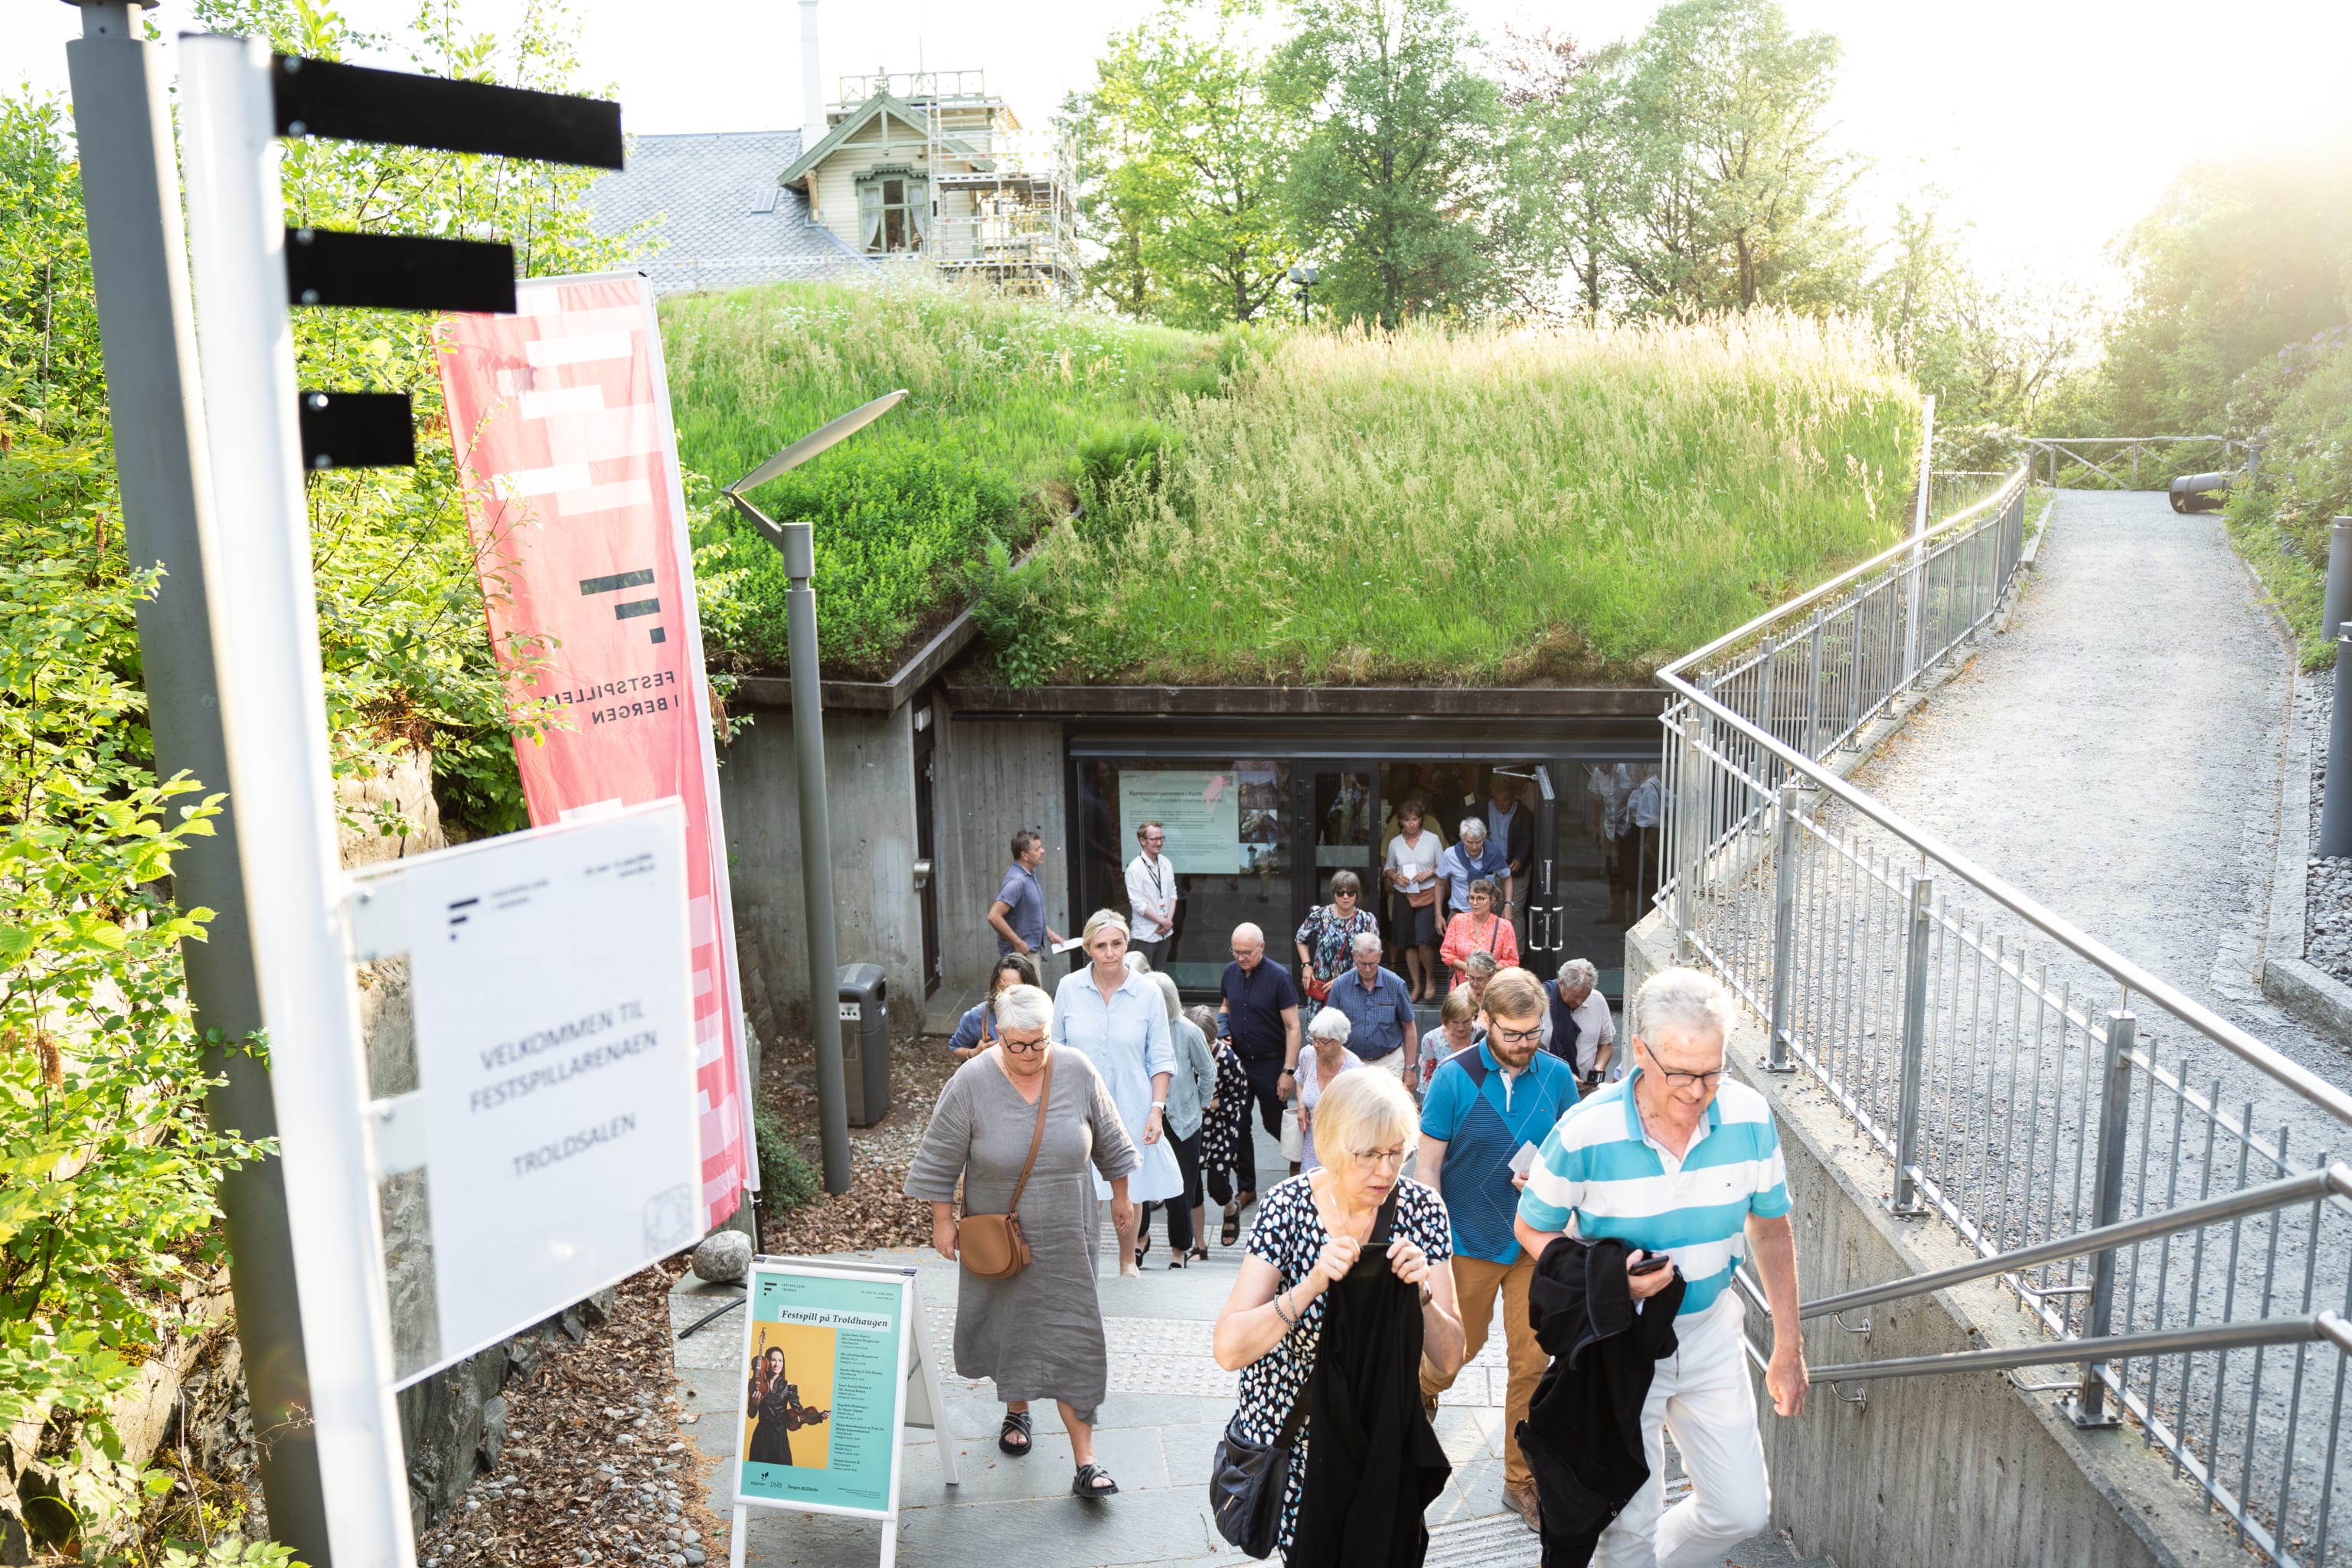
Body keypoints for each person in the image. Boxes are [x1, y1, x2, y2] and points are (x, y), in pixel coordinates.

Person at [1514, 966, 1809, 1566]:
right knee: (1629, 1528)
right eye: (1679, 1071)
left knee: (1742, 1511)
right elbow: (1530, 1224)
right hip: (1619, 1346)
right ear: (1640, 1051)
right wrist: (1607, 1279)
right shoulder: (1586, 1129)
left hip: (1709, 1335)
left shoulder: (1750, 1117)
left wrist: (1788, 1345)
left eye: (1711, 1071)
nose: (1697, 1091)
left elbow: (1772, 1230)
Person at [1213, 1070, 1463, 1566]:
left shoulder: (1423, 1210)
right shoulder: (1287, 1209)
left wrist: (1424, 1295)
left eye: (1396, 1152)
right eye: (1368, 1154)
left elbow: (1451, 1359)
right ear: (1329, 1144)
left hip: (1385, 1438)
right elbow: (1229, 1347)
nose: (1385, 1170)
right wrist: (1308, 1287)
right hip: (1301, 1441)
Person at [904, 984, 1140, 1498]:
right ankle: (1018, 1411)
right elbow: (941, 1155)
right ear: (1000, 1036)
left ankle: (1086, 1460)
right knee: (1013, 1327)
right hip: (1001, 1233)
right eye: (1020, 1045)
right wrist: (943, 1221)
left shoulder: (1076, 1069)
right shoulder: (972, 1081)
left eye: (1041, 1042)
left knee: (1073, 1335)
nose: (1032, 1053)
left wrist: (1122, 1196)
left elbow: (1111, 1138)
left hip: (1067, 1229)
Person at [1416, 968, 1580, 1531]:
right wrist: (1431, 1247)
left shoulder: (1558, 1077)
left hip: (1537, 1244)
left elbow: (1574, 1162)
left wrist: (1551, 1185)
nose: (1524, 1044)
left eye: (1533, 1032)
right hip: (1467, 1242)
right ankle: (1419, 1393)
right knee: (1454, 1352)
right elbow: (1427, 1168)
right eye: (1512, 1033)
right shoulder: (1453, 1078)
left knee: (1532, 1363)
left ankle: (1521, 1480)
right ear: (1485, 1021)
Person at [1053, 911, 1184, 1276]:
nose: (1110, 953)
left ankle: (1128, 1262)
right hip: (1077, 1102)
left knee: (1131, 1183)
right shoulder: (1068, 988)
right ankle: (1085, 1265)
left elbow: (1161, 1057)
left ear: (1127, 944)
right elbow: (1055, 1048)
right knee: (1085, 1186)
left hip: (1133, 1102)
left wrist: (1157, 1110)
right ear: (1088, 948)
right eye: (1101, 945)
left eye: (1117, 944)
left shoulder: (1149, 993)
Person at [1217, 922, 1302, 1214]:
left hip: (1271, 1063)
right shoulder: (1230, 972)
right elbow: (1225, 1007)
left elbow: (1293, 1028)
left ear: (1261, 948)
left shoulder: (1279, 977)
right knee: (1239, 1125)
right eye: (1236, 952)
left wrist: (1288, 1072)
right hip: (1240, 1063)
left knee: (1274, 1121)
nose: (1240, 958)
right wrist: (1223, 1029)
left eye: (1246, 953)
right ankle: (1247, 1186)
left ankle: (1305, 1161)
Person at [1145, 972, 1220, 1267]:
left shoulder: (1188, 1031)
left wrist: (1200, 1105)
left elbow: (1209, 1071)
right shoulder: (1139, 1029)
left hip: (1184, 1122)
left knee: (1181, 1190)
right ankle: (1140, 1241)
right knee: (1143, 1185)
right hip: (1146, 1117)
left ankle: (1180, 1249)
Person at [1325, 930, 1420, 1093]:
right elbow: (1330, 1030)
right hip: (1351, 1061)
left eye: (1373, 963)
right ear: (1354, 956)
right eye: (1362, 964)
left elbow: (1409, 1027)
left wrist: (1410, 1068)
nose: (1368, 969)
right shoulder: (1341, 986)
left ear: (1380, 956)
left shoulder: (1396, 984)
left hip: (1389, 1061)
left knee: (1387, 1112)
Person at [1192, 1004, 1254, 1247]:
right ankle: (1198, 1243)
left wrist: (1209, 1103)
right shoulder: (1181, 1055)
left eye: (1204, 1045)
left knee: (1218, 1183)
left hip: (1222, 1125)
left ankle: (1231, 1206)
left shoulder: (1228, 1060)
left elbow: (1240, 1099)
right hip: (1193, 1124)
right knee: (1192, 1185)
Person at [1383, 802, 1446, 1003]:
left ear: (1421, 820)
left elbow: (1444, 866)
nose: (1411, 824)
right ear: (1400, 822)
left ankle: (1430, 979)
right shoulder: (1395, 843)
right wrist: (1395, 877)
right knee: (1408, 943)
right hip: (1404, 895)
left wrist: (1429, 872)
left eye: (1415, 819)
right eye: (1407, 820)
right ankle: (1416, 985)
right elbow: (1389, 867)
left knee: (1424, 942)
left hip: (1427, 893)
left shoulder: (1432, 839)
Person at [1295, 1008, 1364, 1173]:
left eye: (1322, 1041)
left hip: (1341, 1146)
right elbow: (1300, 1080)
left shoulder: (1354, 1070)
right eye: (1314, 1039)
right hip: (1311, 1144)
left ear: (1339, 1040)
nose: (1316, 1045)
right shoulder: (1308, 1055)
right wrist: (1301, 1105)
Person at [1294, 871, 1378, 1003]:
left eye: (1351, 893)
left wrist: (1343, 980)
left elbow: (1373, 954)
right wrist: (1306, 965)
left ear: (1357, 895)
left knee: (1348, 1024)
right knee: (1320, 1023)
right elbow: (1300, 938)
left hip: (1353, 986)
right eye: (1340, 892)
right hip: (1322, 987)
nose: (1345, 897)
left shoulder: (1366, 920)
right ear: (1334, 894)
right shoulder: (1321, 915)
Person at [1541, 957, 1618, 1090]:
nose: (1580, 1002)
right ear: (1561, 983)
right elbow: (1532, 1051)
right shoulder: (1539, 1001)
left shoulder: (1597, 1000)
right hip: (1546, 1087)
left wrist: (1599, 1066)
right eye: (1574, 997)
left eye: (1585, 997)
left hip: (1584, 1090)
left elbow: (1606, 1044)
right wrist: (1565, 1075)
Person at [946, 952, 1040, 1060]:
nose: (1010, 994)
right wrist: (974, 1053)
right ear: (995, 987)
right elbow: (955, 1047)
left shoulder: (1041, 1015)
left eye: (1017, 989)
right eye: (1004, 988)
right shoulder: (978, 1016)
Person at [745, 1346, 828, 1466]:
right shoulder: (756, 1384)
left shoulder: (788, 1386)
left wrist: (819, 1416)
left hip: (780, 1438)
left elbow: (799, 1411)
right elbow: (751, 1414)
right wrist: (754, 1404)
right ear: (766, 1363)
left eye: (780, 1360)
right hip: (761, 1438)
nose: (777, 1364)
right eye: (773, 1360)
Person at [988, 828, 1063, 958]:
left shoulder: (1029, 875)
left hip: (1030, 951)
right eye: (1037, 849)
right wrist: (1018, 943)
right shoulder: (1017, 881)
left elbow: (1029, 917)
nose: (1043, 851)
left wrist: (1049, 934)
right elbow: (993, 916)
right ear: (1025, 856)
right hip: (1022, 956)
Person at [1440, 879, 1520, 989]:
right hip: (1462, 987)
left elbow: (1512, 961)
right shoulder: (1457, 920)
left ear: (1492, 900)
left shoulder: (1504, 926)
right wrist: (1466, 967)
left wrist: (1484, 970)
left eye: (1480, 899)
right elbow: (1446, 953)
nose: (1475, 903)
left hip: (1491, 989)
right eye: (1472, 898)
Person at [1485, 776, 1534, 945]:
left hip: (1515, 868)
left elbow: (1528, 838)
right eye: (1497, 800)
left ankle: (1516, 956)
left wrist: (1520, 858)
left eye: (1505, 800)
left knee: (1515, 909)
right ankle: (1497, 952)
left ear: (1513, 797)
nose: (1501, 804)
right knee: (1495, 909)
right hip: (1494, 867)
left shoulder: (1523, 812)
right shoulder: (1485, 808)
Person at [1436, 820, 1511, 926]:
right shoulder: (1450, 855)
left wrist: (1508, 904)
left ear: (1484, 838)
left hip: (1488, 914)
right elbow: (1440, 885)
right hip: (1459, 914)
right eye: (1470, 842)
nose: (1475, 847)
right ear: (1462, 839)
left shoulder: (1493, 853)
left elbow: (1507, 878)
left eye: (1479, 842)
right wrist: (1438, 915)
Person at [1125, 821, 1178, 955]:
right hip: (1146, 934)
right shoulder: (1135, 869)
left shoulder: (1166, 862)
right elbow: (1138, 905)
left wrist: (1168, 922)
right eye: (1155, 839)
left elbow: (1173, 893)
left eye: (1161, 838)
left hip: (1165, 933)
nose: (1159, 843)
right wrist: (1162, 921)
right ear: (1143, 841)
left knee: (1160, 973)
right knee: (1144, 974)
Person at [1417, 985, 1483, 1093]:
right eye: (1455, 1022)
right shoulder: (1431, 1040)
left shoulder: (1483, 1035)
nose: (1461, 1028)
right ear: (1446, 1018)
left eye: (1466, 1021)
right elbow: (1427, 1084)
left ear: (1474, 1015)